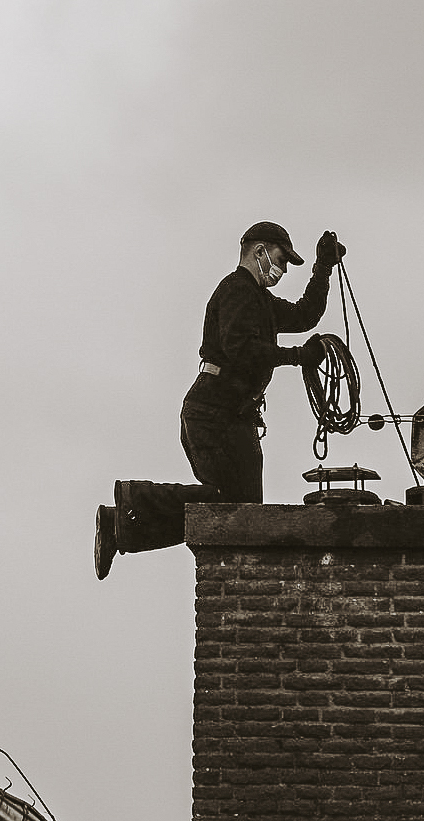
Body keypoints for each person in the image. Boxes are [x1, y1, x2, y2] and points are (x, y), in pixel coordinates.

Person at [95, 222, 345, 578]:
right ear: (258, 252)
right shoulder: (236, 291)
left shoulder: (261, 301)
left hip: (231, 416)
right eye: (280, 259)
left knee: (241, 515)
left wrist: (323, 268)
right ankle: (131, 505)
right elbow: (240, 349)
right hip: (213, 414)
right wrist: (297, 357)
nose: (284, 269)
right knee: (238, 514)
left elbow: (305, 314)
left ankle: (124, 526)